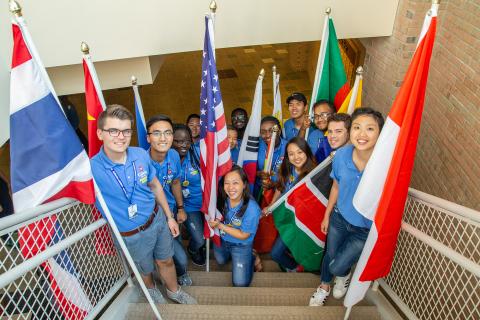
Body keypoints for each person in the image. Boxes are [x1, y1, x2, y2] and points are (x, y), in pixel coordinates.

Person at [91, 104, 196, 304]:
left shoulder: (139, 154)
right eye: (113, 130)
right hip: (130, 234)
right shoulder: (91, 169)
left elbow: (155, 185)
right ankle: (151, 289)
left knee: (166, 260)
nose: (120, 136)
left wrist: (169, 217)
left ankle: (174, 291)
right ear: (100, 133)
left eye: (126, 131)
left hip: (156, 221)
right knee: (144, 267)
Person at [309, 107, 384, 306]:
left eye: (370, 129)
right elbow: (336, 186)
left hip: (365, 228)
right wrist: (327, 215)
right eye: (357, 127)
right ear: (351, 132)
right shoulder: (341, 155)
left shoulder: (385, 163)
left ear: (379, 133)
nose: (362, 134)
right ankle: (324, 286)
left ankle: (343, 273)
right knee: (330, 254)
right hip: (339, 218)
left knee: (338, 264)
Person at [147, 115, 192, 286]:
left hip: (171, 212)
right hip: (153, 218)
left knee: (178, 249)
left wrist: (180, 208)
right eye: (157, 133)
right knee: (178, 258)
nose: (163, 138)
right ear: (148, 138)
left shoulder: (173, 155)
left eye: (167, 133)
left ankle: (176, 270)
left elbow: (175, 181)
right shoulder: (142, 163)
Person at [264, 137, 316, 272]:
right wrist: (272, 205)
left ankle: (299, 267)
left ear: (307, 152)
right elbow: (280, 188)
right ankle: (295, 267)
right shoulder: (287, 169)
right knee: (280, 252)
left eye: (300, 152)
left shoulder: (315, 174)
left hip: (300, 223)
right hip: (287, 219)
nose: (296, 157)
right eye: (291, 154)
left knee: (276, 253)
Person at [208, 165, 261, 287]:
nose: (230, 187)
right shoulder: (221, 199)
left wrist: (220, 226)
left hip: (241, 245)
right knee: (221, 260)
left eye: (235, 183)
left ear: (244, 185)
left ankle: (252, 256)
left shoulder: (252, 208)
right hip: (223, 240)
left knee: (240, 283)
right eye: (227, 183)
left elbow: (243, 235)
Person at [172, 124, 206, 266]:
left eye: (187, 141)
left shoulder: (198, 152)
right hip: (182, 206)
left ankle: (195, 248)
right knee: (199, 239)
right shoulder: (166, 157)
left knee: (202, 238)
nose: (183, 145)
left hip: (203, 203)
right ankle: (192, 250)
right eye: (178, 141)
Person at [255, 116, 286, 199]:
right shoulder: (256, 145)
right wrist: (259, 174)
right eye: (263, 132)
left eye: (271, 131)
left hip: (281, 192)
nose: (267, 135)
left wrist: (274, 184)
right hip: (259, 191)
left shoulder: (288, 147)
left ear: (279, 132)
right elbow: (249, 169)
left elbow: (293, 175)